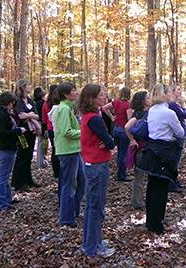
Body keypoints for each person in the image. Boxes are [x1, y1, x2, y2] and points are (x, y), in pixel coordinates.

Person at [136, 84, 184, 234]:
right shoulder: (168, 113)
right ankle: (156, 224)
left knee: (152, 185)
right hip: (164, 152)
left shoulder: (152, 110)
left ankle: (151, 221)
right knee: (160, 189)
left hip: (152, 150)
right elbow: (181, 133)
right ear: (164, 95)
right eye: (169, 91)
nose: (171, 94)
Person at [79, 84, 115, 257]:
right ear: (92, 98)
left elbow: (106, 139)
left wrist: (107, 140)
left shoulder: (90, 116)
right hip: (96, 165)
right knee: (95, 207)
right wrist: (109, 141)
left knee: (93, 206)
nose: (104, 96)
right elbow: (109, 141)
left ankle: (92, 242)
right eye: (101, 94)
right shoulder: (94, 118)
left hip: (93, 163)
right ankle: (93, 247)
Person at [53, 82, 85, 227]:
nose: (76, 92)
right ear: (66, 94)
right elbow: (66, 132)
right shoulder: (64, 109)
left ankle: (74, 211)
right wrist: (83, 132)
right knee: (69, 185)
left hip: (74, 150)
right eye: (73, 90)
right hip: (68, 151)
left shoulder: (68, 108)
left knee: (82, 181)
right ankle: (66, 218)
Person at [0, 92, 26, 211]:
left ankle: (6, 199)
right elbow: (2, 133)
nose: (13, 105)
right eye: (12, 103)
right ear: (8, 102)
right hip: (4, 148)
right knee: (3, 176)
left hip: (7, 147)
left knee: (5, 175)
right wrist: (18, 131)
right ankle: (0, 203)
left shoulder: (1, 111)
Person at [11, 79, 41, 191]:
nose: (30, 86)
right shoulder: (17, 100)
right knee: (22, 156)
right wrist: (30, 114)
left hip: (31, 132)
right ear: (22, 87)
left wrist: (29, 115)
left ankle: (28, 180)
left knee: (28, 156)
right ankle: (18, 183)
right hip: (22, 132)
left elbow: (37, 116)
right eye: (28, 85)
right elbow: (20, 116)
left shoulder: (30, 100)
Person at [125, 91, 151, 210]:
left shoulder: (148, 112)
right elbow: (127, 127)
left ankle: (141, 199)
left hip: (146, 148)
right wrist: (132, 140)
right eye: (147, 97)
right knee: (139, 176)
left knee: (142, 176)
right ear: (142, 101)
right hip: (141, 149)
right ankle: (137, 202)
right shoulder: (139, 114)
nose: (150, 98)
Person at [102, 87, 132, 182]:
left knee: (120, 152)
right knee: (123, 153)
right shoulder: (128, 104)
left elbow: (104, 108)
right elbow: (129, 118)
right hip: (123, 130)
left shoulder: (115, 102)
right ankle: (121, 175)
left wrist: (111, 117)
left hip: (116, 129)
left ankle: (120, 172)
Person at [168, 84, 186, 193]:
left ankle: (174, 180)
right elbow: (185, 115)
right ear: (173, 91)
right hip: (176, 135)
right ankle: (171, 183)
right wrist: (184, 105)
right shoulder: (172, 105)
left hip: (181, 133)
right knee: (175, 159)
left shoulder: (176, 104)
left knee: (177, 159)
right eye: (178, 89)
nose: (181, 91)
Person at [34, 86, 49, 168]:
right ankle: (40, 161)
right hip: (42, 124)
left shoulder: (35, 103)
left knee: (43, 142)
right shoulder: (42, 103)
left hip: (40, 124)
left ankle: (42, 159)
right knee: (42, 142)